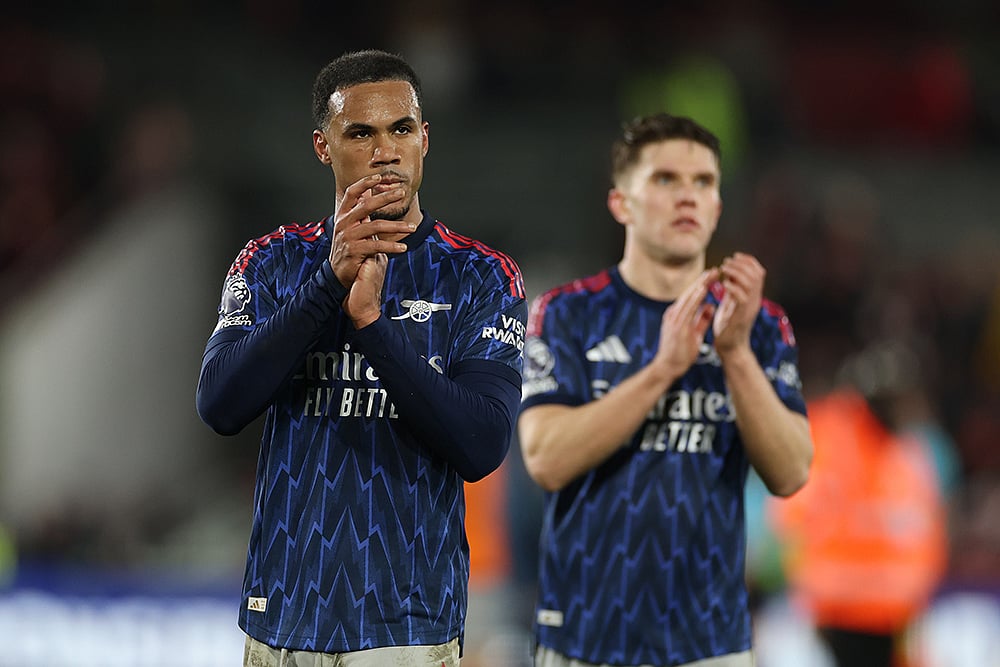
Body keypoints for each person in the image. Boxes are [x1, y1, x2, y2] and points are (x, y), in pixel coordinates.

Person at [196, 49, 528, 666]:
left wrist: (371, 326)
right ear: (324, 147)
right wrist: (326, 286)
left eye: (401, 129)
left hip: (407, 625)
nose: (385, 149)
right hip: (284, 619)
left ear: (425, 139)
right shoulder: (271, 262)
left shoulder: (479, 276)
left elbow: (483, 443)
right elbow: (219, 403)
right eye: (360, 133)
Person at [518, 112, 813, 667]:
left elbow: (792, 471)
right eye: (665, 179)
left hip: (710, 641)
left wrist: (735, 354)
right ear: (621, 204)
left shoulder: (761, 325)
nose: (688, 197)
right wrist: (662, 369)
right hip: (584, 635)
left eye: (703, 183)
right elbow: (546, 459)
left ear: (719, 207)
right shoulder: (569, 314)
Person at [769, 340, 950, 667]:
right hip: (833, 615)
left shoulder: (910, 450)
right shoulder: (827, 439)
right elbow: (788, 519)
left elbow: (928, 530)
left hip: (893, 617)